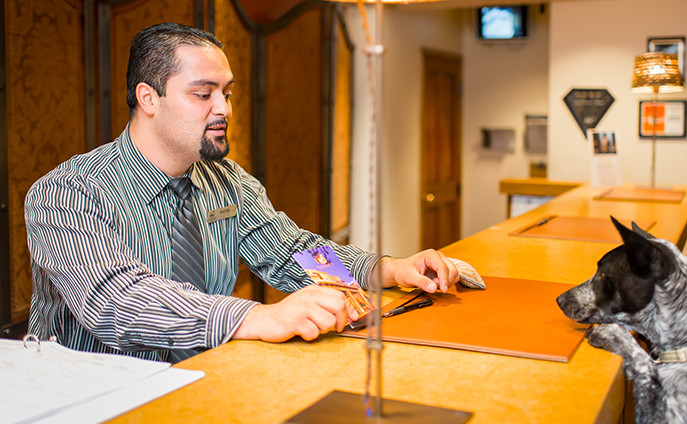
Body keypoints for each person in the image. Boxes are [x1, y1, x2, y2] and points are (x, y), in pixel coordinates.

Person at [25, 22, 459, 363]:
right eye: (203, 94)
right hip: (101, 397)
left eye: (227, 93)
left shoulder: (227, 181)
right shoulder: (67, 194)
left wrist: (388, 269)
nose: (224, 109)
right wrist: (258, 315)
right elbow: (117, 302)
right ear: (148, 98)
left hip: (214, 378)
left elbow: (294, 253)